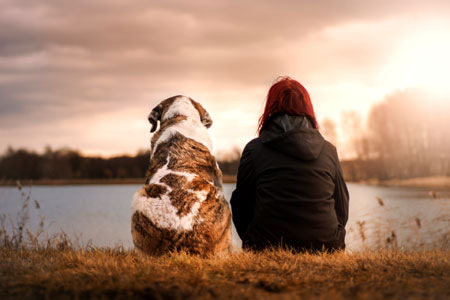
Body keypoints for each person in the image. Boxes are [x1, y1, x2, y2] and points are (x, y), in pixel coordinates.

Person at [230, 77, 349, 252]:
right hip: (326, 246)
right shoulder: (328, 150)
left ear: (270, 108)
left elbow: (241, 206)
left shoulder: (254, 150)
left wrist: (252, 240)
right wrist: (333, 238)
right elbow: (342, 207)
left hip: (266, 246)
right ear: (308, 108)